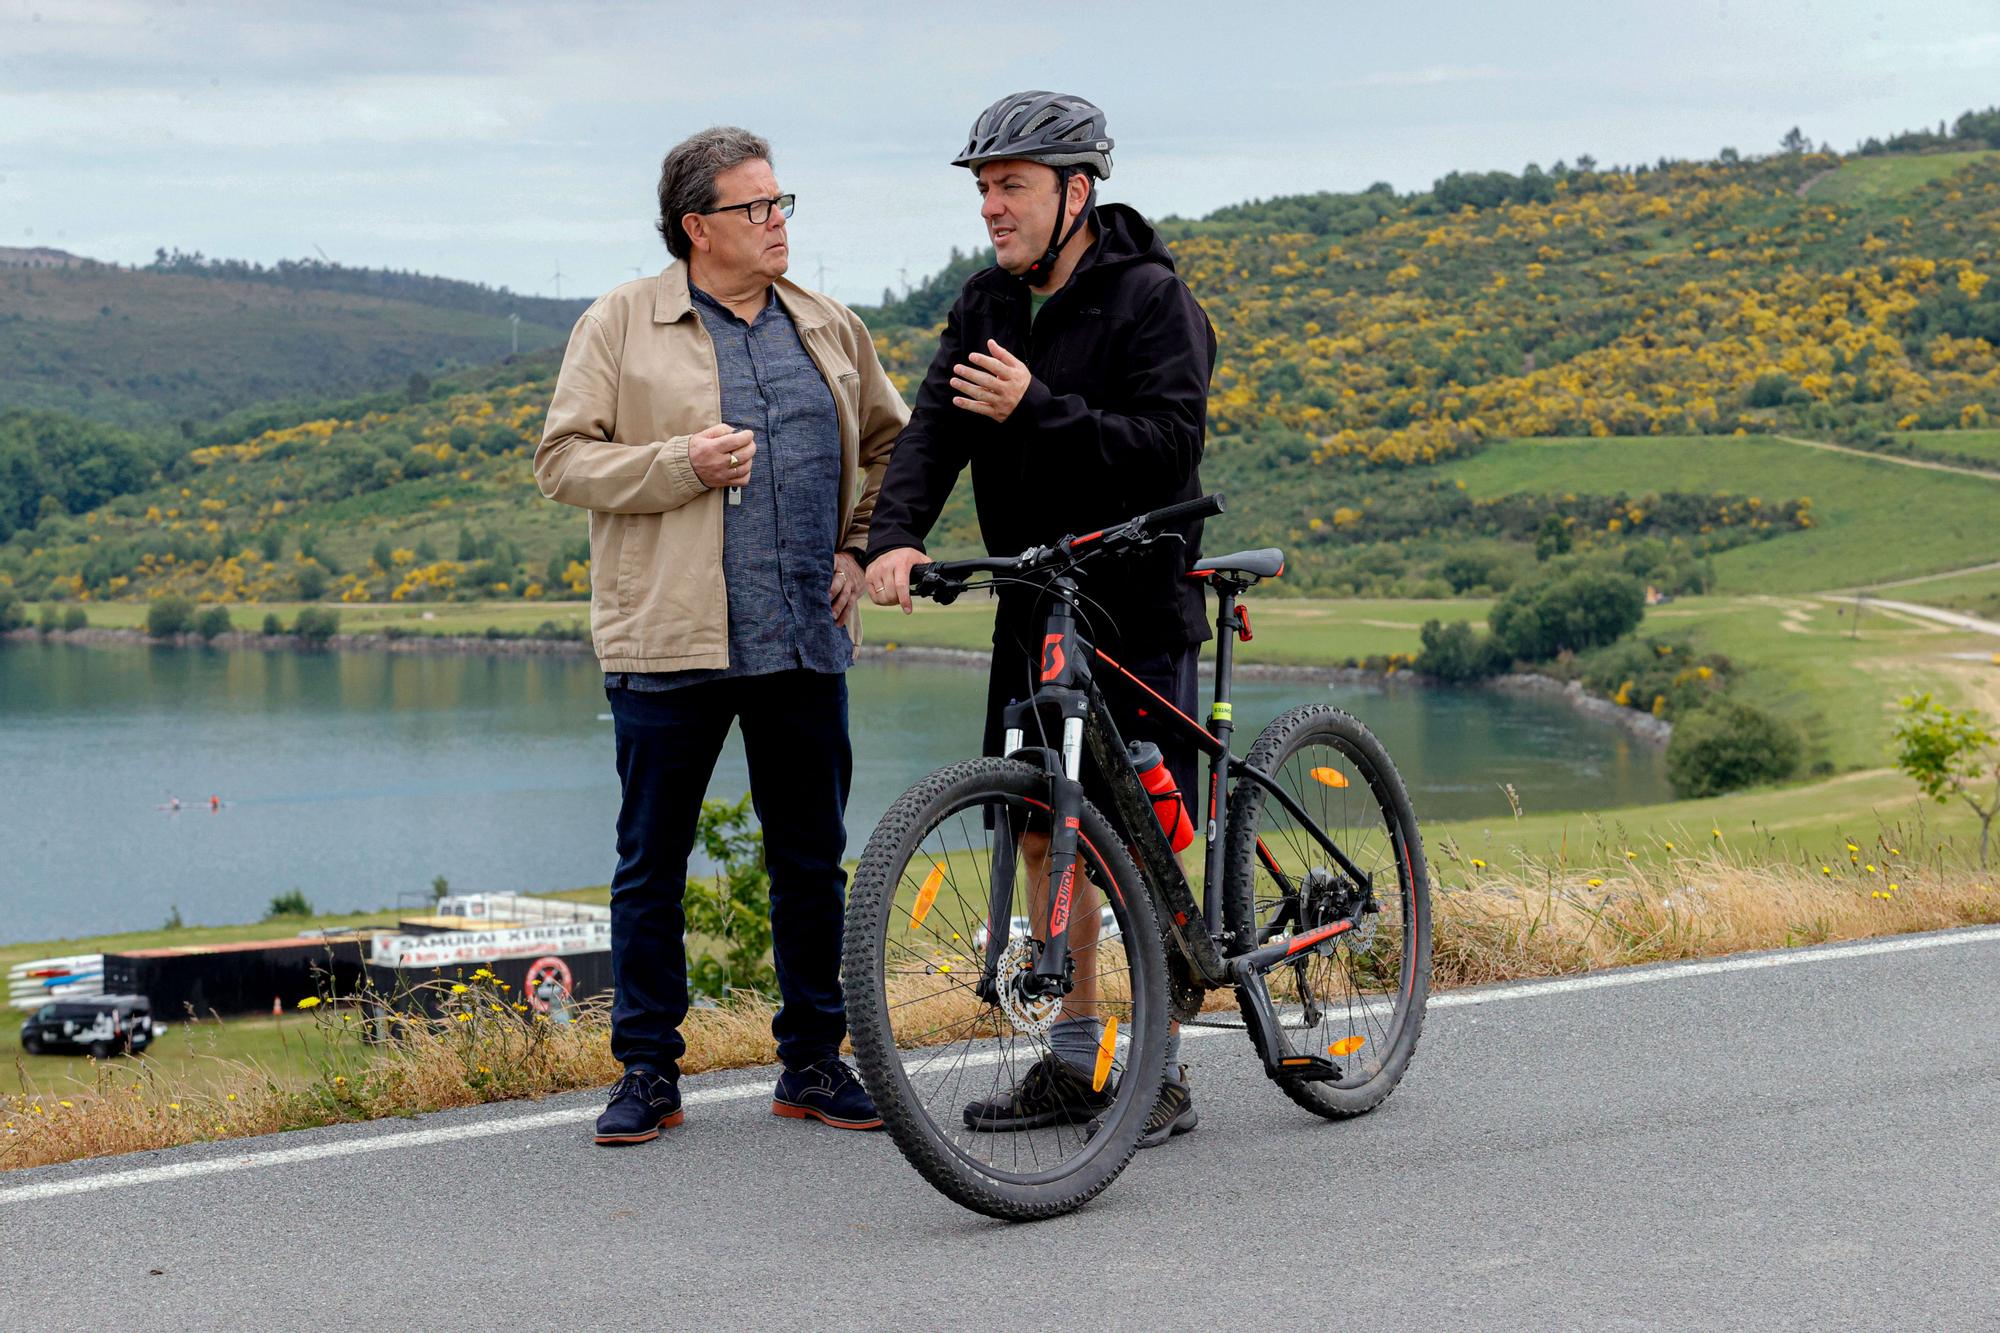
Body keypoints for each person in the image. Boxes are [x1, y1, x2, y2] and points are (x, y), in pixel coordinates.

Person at [536, 126, 908, 1146]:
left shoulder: (829, 325)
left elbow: (892, 445)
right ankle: (647, 1071)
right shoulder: (619, 321)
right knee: (650, 861)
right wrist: (678, 463)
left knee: (809, 858)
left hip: (801, 634)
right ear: (698, 227)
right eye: (757, 208)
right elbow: (562, 460)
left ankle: (813, 1063)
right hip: (668, 639)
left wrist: (858, 547)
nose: (778, 221)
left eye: (783, 202)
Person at [863, 91, 1217, 1148]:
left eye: (1008, 185)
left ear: (1076, 190)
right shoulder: (985, 304)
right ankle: (1073, 1062)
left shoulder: (1151, 299)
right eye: (981, 187)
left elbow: (1166, 447)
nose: (990, 206)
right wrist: (890, 538)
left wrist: (1035, 408)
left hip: (1133, 603)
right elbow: (931, 429)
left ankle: (1155, 1069)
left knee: (1138, 839)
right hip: (1034, 605)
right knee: (1034, 830)